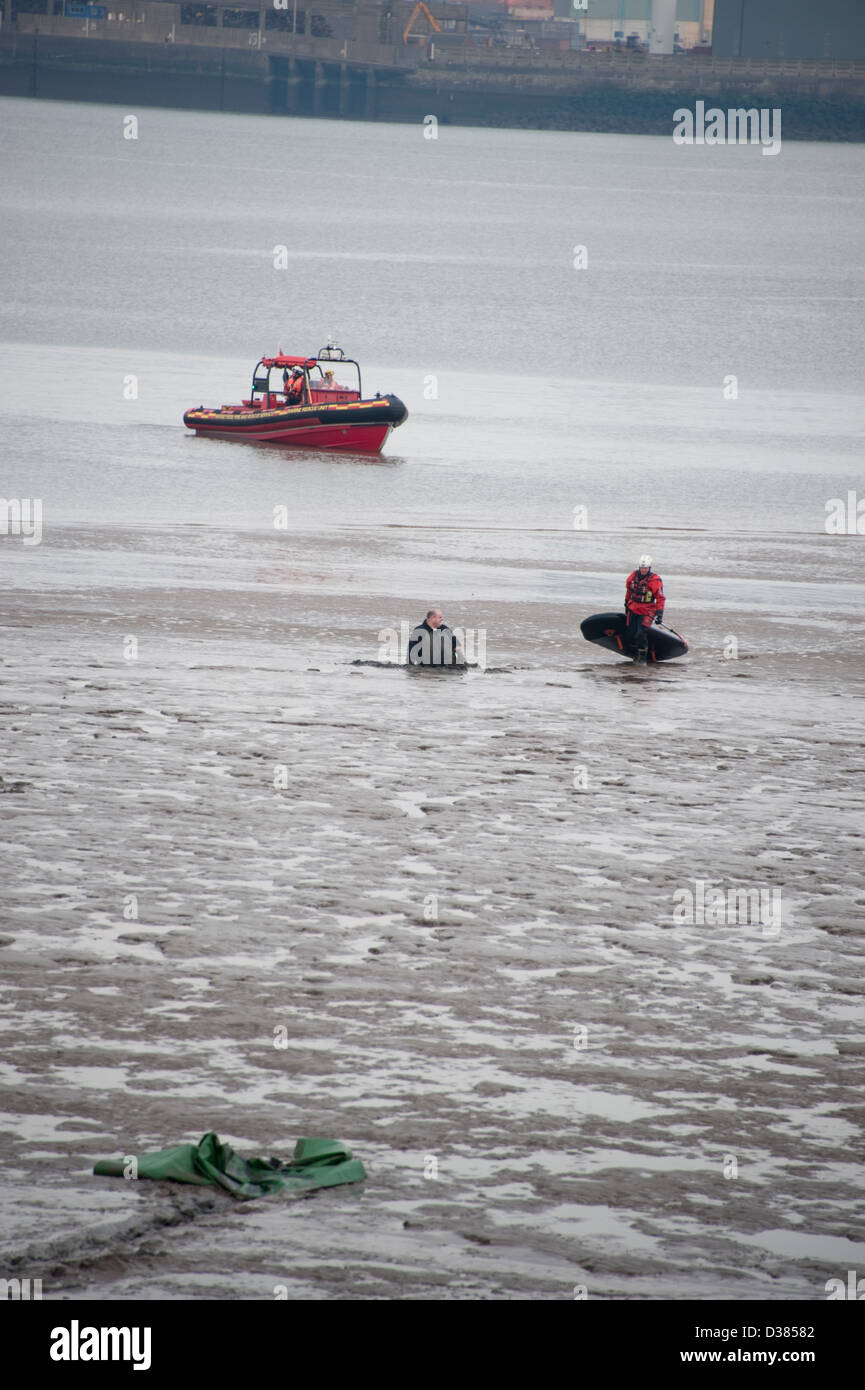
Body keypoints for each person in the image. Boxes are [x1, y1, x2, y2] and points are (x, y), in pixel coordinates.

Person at [624, 555, 665, 665]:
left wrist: (660, 614)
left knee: (640, 633)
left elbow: (660, 598)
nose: (643, 570)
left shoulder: (654, 580)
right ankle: (634, 656)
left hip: (647, 610)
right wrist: (626, 604)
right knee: (631, 634)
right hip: (633, 607)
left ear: (649, 568)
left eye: (645, 568)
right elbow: (629, 591)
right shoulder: (633, 576)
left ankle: (642, 659)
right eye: (642, 568)